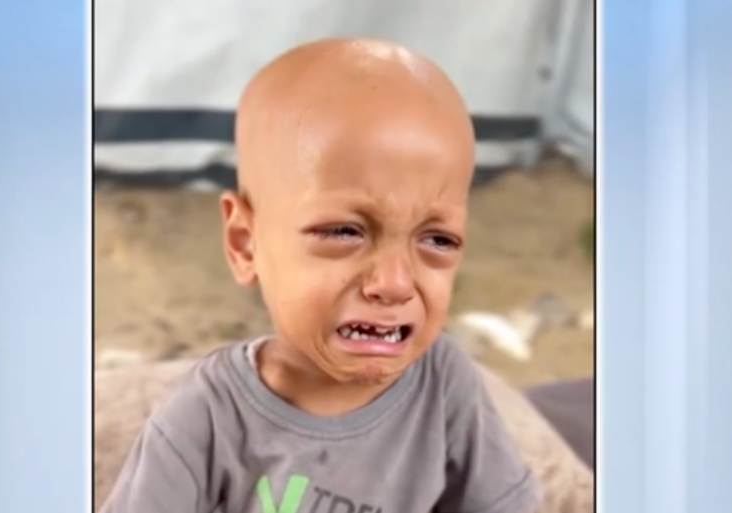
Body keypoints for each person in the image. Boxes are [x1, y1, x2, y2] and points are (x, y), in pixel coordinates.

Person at [100, 38, 541, 513]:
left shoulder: (443, 383)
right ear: (245, 242)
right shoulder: (208, 417)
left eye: (437, 240)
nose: (394, 283)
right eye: (344, 232)